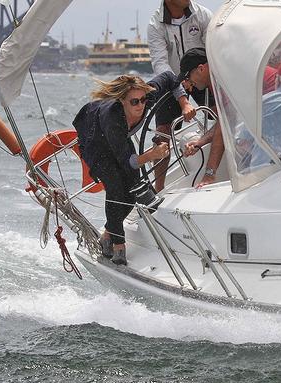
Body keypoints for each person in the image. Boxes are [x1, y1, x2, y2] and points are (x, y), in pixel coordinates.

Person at [72, 73, 193, 265]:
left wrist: (184, 103)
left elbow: (170, 78)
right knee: (115, 187)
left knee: (132, 191)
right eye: (134, 102)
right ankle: (118, 246)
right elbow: (128, 161)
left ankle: (107, 234)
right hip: (95, 142)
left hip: (120, 140)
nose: (140, 105)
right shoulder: (112, 118)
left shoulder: (146, 97)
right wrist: (152, 155)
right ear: (121, 101)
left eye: (143, 100)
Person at [148, 0, 213, 191]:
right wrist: (180, 91)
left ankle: (217, 169)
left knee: (222, 115)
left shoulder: (202, 15)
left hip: (202, 74)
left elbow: (213, 47)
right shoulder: (155, 25)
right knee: (162, 132)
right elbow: (160, 64)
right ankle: (158, 191)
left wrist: (198, 76)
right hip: (172, 80)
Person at [178, 47, 224, 187]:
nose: (188, 83)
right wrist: (200, 142)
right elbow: (225, 124)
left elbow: (223, 129)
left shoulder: (223, 83)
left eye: (188, 77)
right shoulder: (216, 82)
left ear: (201, 68)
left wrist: (209, 175)